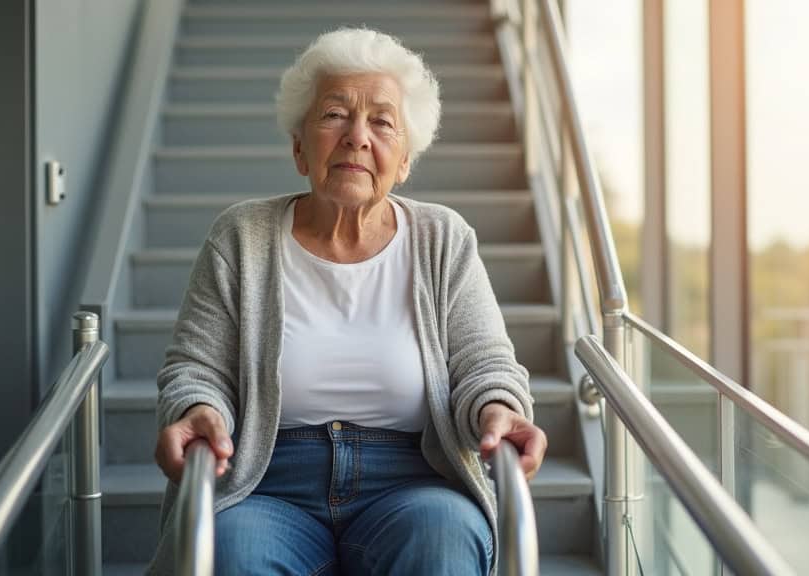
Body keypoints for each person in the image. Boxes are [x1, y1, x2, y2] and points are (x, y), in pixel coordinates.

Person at [148, 27, 547, 575]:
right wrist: (198, 411)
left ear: (404, 161)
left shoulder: (443, 238)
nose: (357, 137)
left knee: (442, 539)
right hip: (268, 484)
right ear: (299, 148)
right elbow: (197, 369)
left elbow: (485, 362)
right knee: (231, 551)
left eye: (382, 122)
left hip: (414, 482)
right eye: (334, 115)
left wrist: (497, 408)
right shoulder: (241, 236)